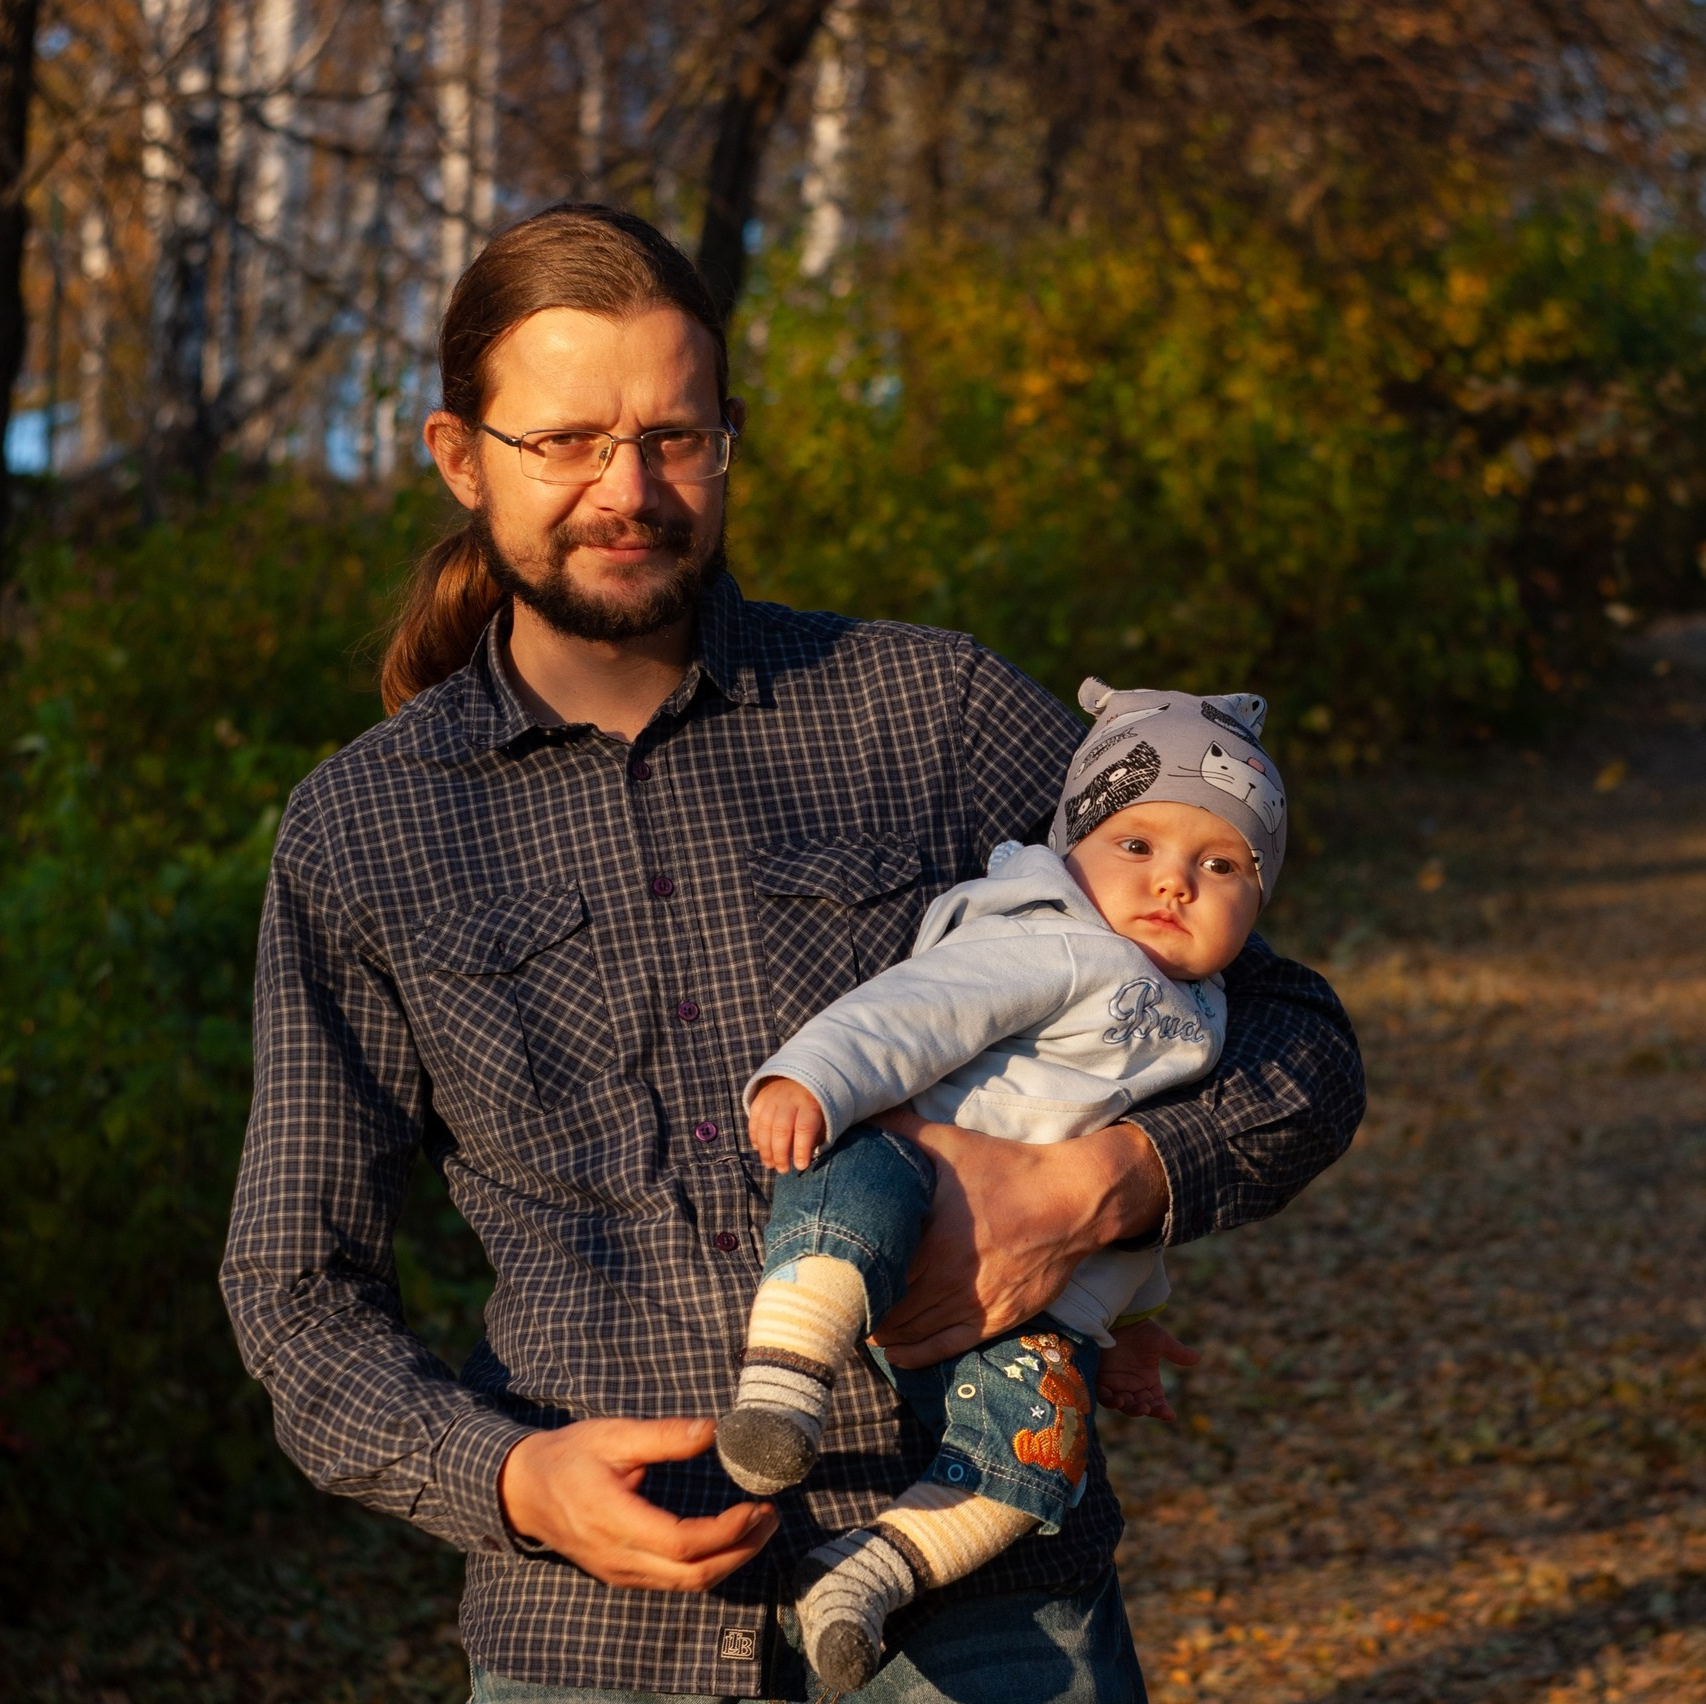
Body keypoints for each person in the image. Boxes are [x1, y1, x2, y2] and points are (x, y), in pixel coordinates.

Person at [217, 203, 1365, 1703]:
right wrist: (506, 1481)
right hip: (592, 1645)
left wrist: (1099, 1188)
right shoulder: (363, 832)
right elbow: (291, 1286)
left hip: (988, 1612)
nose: (628, 492)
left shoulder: (929, 714)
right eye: (565, 441)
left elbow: (1299, 1040)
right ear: (458, 455)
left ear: (728, 438)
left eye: (677, 438)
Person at [718, 681, 1286, 1689]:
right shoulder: (1054, 940)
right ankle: (783, 1386)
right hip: (915, 1176)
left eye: (1222, 864)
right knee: (854, 1178)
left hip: (1017, 1299)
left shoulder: (1204, 1012)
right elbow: (914, 1011)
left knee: (1039, 1453)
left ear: (1262, 895)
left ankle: (866, 1574)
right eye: (1137, 847)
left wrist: (1116, 1322)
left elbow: (1121, 1179)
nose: (1174, 884)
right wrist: (812, 1075)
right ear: (1073, 850)